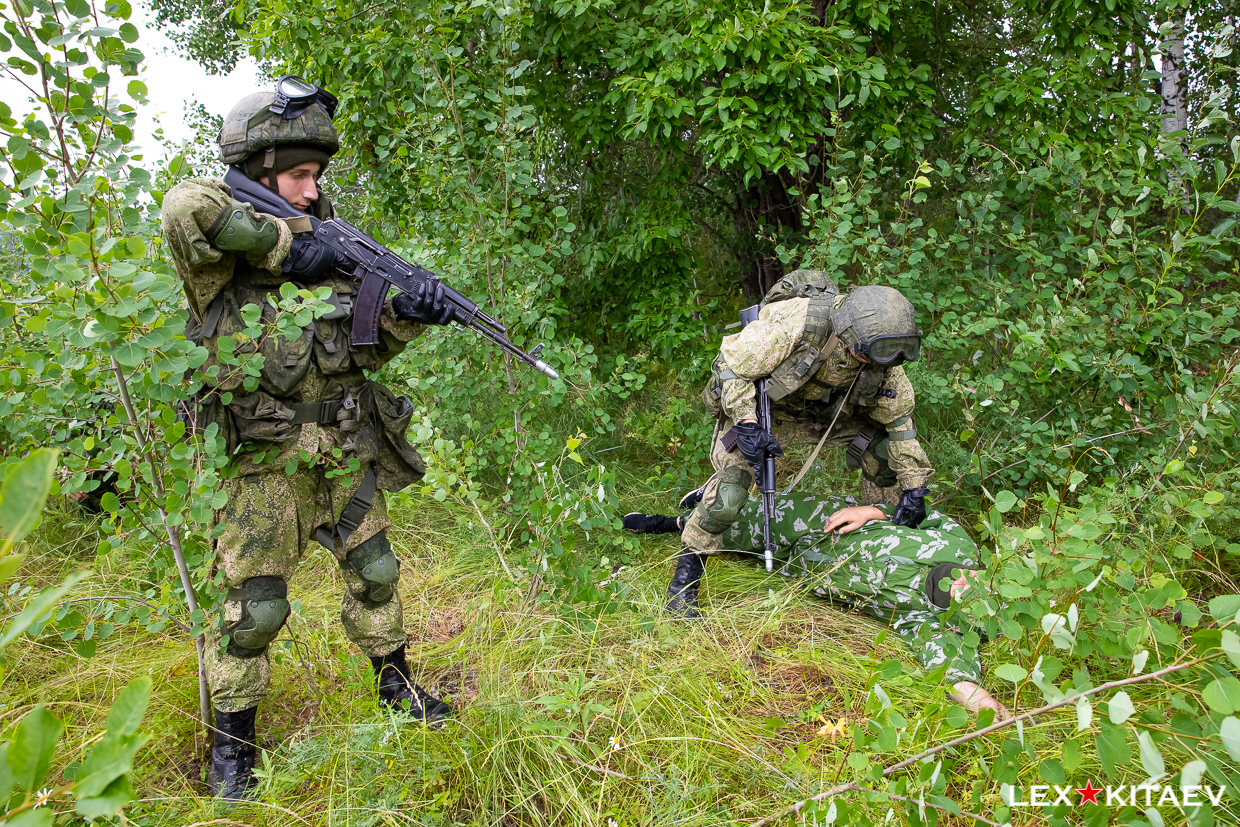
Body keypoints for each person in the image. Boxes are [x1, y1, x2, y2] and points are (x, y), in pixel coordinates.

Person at [162, 77, 457, 800]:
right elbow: (183, 207)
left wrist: (413, 313)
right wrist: (286, 248)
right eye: (297, 174)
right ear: (260, 171)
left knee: (378, 573)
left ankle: (397, 688)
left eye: (316, 175)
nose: (309, 188)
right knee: (256, 609)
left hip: (340, 455)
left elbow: (359, 352)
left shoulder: (337, 248)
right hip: (259, 468)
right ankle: (234, 746)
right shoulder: (227, 257)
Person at [670, 270, 934, 617]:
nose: (884, 362)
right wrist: (748, 424)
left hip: (828, 418)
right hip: (765, 411)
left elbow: (899, 422)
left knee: (887, 461)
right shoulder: (795, 323)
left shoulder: (883, 354)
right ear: (849, 335)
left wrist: (914, 486)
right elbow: (732, 367)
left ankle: (878, 546)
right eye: (874, 354)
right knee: (729, 498)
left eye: (895, 354)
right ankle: (684, 582)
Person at [625, 496, 1010, 721]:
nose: (965, 585)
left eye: (974, 600)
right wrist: (871, 511)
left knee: (742, 549)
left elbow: (958, 678)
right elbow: (915, 511)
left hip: (809, 573)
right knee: (731, 519)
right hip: (821, 522)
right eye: (978, 582)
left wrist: (999, 716)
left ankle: (684, 519)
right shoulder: (959, 543)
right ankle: (677, 520)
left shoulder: (936, 625)